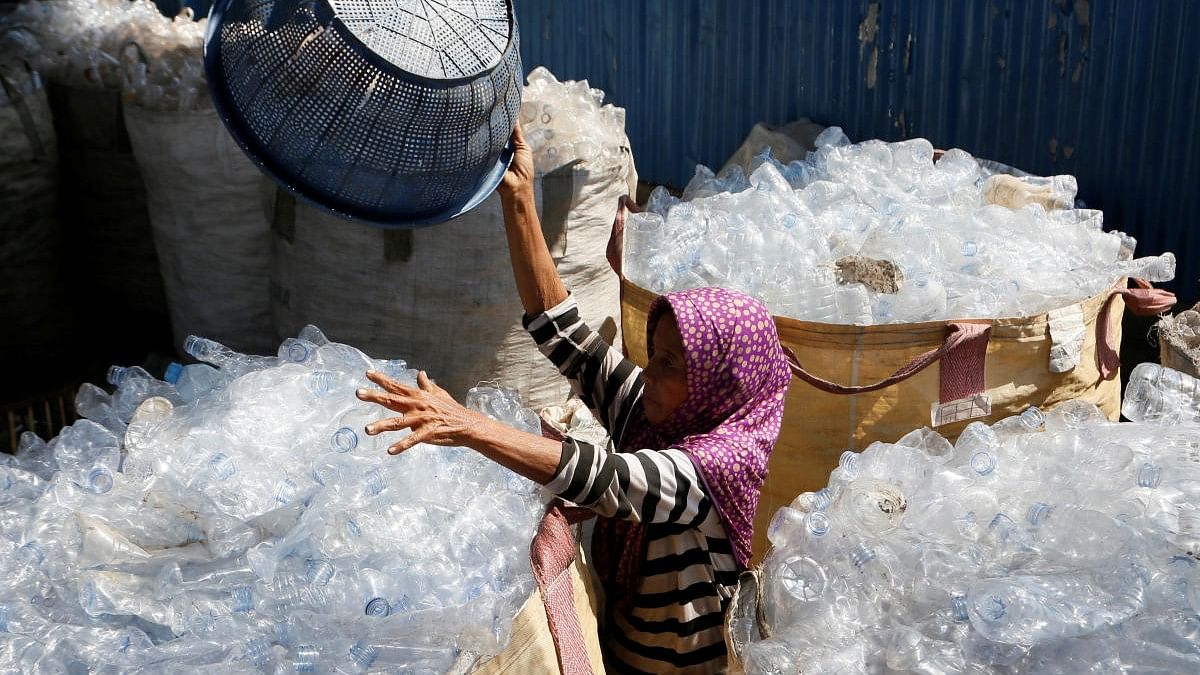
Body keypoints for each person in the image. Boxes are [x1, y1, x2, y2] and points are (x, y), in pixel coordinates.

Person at [355, 124, 792, 674]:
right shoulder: (658, 415)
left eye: (672, 365)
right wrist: (518, 197)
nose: (649, 374)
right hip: (625, 648)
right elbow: (564, 333)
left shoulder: (717, 467)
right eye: (653, 354)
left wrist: (468, 425)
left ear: (718, 383)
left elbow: (605, 479)